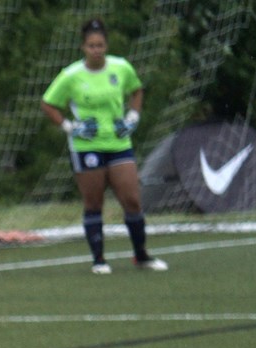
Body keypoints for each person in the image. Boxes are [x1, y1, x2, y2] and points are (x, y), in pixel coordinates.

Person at [40, 18, 168, 276]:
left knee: (132, 200)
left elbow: (136, 90)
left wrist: (133, 117)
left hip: (118, 143)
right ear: (83, 47)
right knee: (93, 202)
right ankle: (99, 259)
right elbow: (48, 103)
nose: (96, 50)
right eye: (91, 45)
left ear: (106, 46)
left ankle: (141, 255)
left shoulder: (121, 68)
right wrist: (69, 126)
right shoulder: (71, 75)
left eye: (100, 45)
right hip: (87, 147)